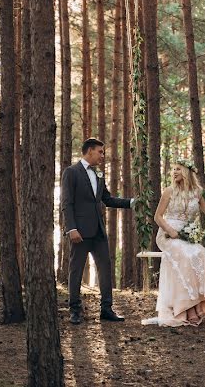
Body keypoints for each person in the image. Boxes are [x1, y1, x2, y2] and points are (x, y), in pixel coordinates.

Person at [61, 137, 135, 325]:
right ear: (89, 151)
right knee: (76, 270)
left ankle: (106, 309)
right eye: (100, 152)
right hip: (80, 232)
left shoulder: (99, 175)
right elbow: (66, 203)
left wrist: (132, 203)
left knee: (105, 269)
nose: (102, 156)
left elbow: (107, 199)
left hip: (99, 232)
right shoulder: (71, 172)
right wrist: (71, 228)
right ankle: (75, 310)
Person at [142, 160, 205, 327]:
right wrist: (171, 231)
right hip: (168, 235)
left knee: (201, 253)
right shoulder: (169, 191)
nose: (174, 172)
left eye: (178, 169)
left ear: (187, 172)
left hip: (188, 234)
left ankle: (196, 305)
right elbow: (157, 217)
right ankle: (185, 310)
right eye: (173, 169)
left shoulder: (198, 192)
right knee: (183, 254)